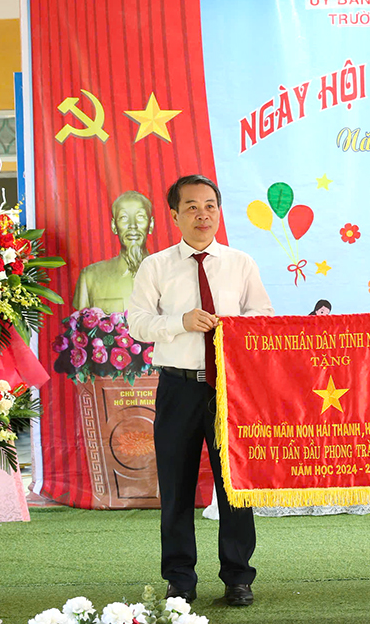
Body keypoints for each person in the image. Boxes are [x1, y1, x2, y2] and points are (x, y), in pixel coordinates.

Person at [128, 174, 274, 607]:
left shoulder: (240, 263)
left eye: (210, 205)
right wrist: (180, 322)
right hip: (178, 386)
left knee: (234, 486)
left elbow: (263, 314)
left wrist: (235, 327)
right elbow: (137, 323)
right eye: (191, 207)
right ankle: (179, 579)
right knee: (176, 486)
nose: (202, 214)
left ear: (219, 211)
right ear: (174, 215)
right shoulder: (156, 266)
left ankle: (238, 577)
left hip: (230, 388)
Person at [73, 191, 154, 313]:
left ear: (151, 224)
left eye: (140, 217)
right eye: (124, 218)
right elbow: (80, 323)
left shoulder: (170, 274)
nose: (132, 225)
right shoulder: (90, 277)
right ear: (114, 226)